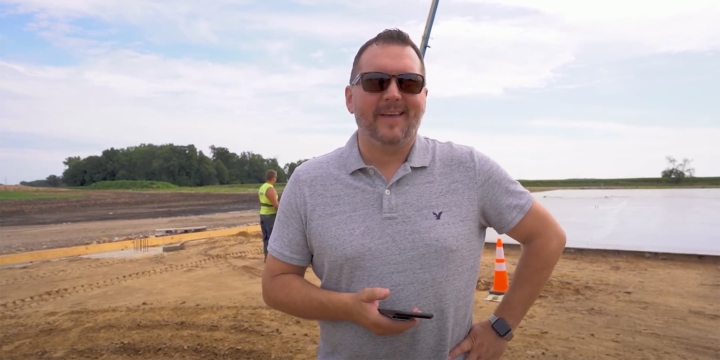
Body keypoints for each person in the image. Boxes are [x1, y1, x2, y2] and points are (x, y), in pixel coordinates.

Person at [261, 28, 566, 360]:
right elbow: (276, 284)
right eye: (376, 81)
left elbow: (547, 237)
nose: (393, 93)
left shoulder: (469, 169)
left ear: (424, 96)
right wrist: (348, 307)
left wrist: (500, 328)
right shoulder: (308, 182)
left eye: (408, 83)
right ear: (350, 97)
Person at [258, 169, 279, 263]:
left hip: (263, 214)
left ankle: (267, 257)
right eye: (275, 177)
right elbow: (275, 205)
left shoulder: (262, 187)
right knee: (272, 237)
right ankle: (272, 259)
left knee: (266, 237)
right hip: (270, 215)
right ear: (273, 178)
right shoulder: (270, 189)